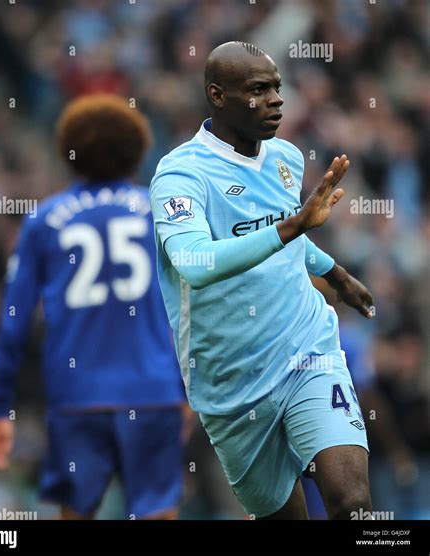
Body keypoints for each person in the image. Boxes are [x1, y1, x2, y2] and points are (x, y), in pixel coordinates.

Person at [149, 41, 375, 520]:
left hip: (306, 349)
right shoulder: (180, 175)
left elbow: (278, 236)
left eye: (276, 87)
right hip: (229, 384)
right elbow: (195, 260)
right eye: (258, 90)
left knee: (352, 503)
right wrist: (293, 227)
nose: (276, 99)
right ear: (216, 94)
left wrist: (334, 273)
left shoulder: (286, 158)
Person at [0, 94, 187, 520]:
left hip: (77, 397)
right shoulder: (159, 215)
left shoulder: (45, 220)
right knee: (158, 514)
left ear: (69, 152)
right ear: (136, 151)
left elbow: (13, 321)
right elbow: (195, 308)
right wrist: (189, 391)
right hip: (151, 393)